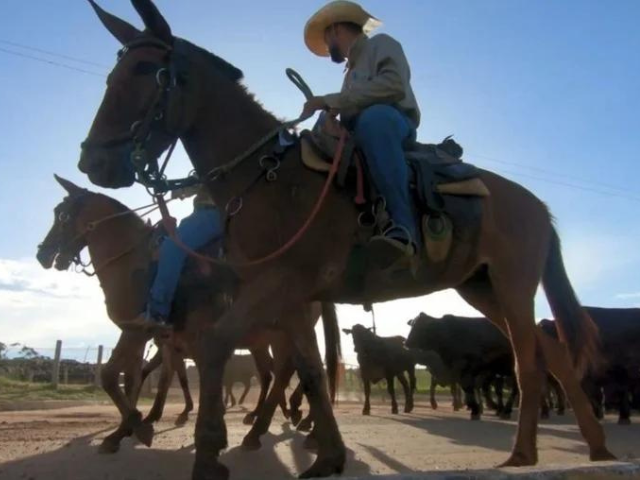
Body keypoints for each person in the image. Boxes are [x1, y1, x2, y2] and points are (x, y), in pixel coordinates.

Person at [301, 1, 421, 266]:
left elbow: (394, 85)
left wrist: (330, 100)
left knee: (374, 120)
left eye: (326, 38)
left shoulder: (381, 44)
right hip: (361, 130)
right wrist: (332, 119)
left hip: (393, 121)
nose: (328, 45)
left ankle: (403, 227)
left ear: (334, 31)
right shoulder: (349, 75)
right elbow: (349, 107)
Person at [129, 186, 223, 329]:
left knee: (172, 247)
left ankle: (158, 312)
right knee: (159, 248)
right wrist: (179, 188)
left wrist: (181, 189)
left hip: (216, 212)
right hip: (199, 215)